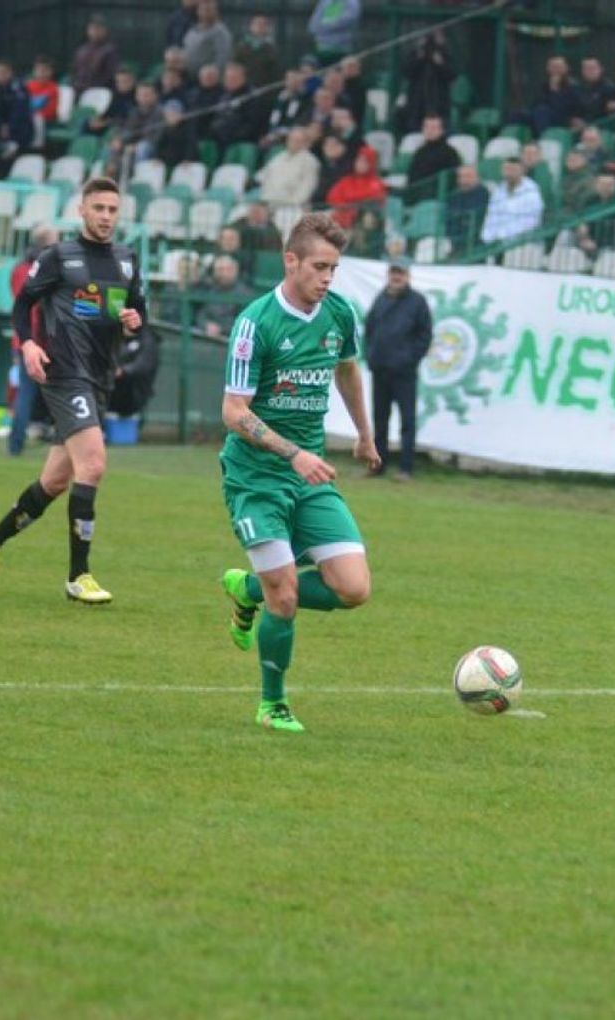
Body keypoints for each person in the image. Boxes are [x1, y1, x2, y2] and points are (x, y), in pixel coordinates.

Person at [217, 212, 380, 733]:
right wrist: (293, 454)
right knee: (284, 595)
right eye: (319, 267)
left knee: (353, 589)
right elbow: (234, 412)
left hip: (309, 476)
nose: (328, 278)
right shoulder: (255, 323)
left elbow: (347, 369)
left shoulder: (339, 314)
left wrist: (364, 433)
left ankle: (249, 588)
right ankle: (272, 704)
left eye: (334, 268)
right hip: (256, 479)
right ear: (291, 261)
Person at [0, 178, 147, 605]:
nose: (106, 216)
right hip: (65, 373)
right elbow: (21, 305)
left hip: (100, 378)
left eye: (112, 209)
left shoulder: (126, 260)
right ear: (81, 210)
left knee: (55, 481)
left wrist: (134, 320)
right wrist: (29, 344)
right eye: (98, 208)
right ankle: (78, 576)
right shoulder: (57, 257)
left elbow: (138, 311)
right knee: (94, 464)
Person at [364, 258, 433, 481]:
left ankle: (406, 468)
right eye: (393, 272)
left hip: (404, 372)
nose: (396, 277)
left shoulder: (418, 302)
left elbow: (425, 335)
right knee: (379, 420)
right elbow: (369, 328)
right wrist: (371, 356)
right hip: (380, 370)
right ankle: (378, 465)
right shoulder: (381, 298)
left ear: (408, 276)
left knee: (407, 421)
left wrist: (409, 359)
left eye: (400, 273)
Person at [8, 224, 61, 455]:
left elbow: (18, 301)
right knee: (62, 391)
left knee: (25, 394)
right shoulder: (52, 267)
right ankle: (65, 441)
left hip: (22, 339)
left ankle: (15, 444)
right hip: (46, 337)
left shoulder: (20, 269)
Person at [479, 157, 544, 244]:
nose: (509, 173)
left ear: (522, 171)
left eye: (513, 170)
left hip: (523, 244)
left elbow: (529, 223)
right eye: (506, 169)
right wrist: (487, 238)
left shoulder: (531, 193)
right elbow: (491, 217)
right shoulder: (498, 191)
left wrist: (503, 238)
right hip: (496, 243)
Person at [256, 126, 319, 207]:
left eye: (298, 140)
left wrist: (291, 206)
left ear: (307, 144)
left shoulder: (310, 162)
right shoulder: (279, 157)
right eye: (291, 140)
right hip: (267, 202)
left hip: (289, 206)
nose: (293, 143)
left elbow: (306, 190)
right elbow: (261, 177)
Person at [406, 114, 461, 204]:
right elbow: (411, 178)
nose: (429, 130)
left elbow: (452, 180)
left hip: (437, 197)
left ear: (441, 130)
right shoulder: (419, 152)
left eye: (433, 128)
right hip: (416, 195)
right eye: (426, 127)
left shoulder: (450, 153)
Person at [445, 163, 489, 255]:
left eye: (468, 176)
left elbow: (478, 219)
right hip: (456, 241)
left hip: (478, 241)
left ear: (477, 178)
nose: (464, 180)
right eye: (461, 177)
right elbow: (450, 221)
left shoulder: (484, 194)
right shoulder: (454, 197)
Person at [184, 0, 234, 76]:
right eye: (202, 10)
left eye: (208, 10)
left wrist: (212, 74)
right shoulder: (193, 30)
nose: (205, 13)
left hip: (207, 78)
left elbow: (223, 58)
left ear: (215, 12)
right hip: (188, 75)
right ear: (198, 12)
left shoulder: (220, 32)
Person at [309, 0, 361, 65]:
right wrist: (326, 26)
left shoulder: (352, 2)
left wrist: (324, 26)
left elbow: (347, 21)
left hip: (341, 50)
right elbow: (312, 26)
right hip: (321, 49)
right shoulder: (324, 2)